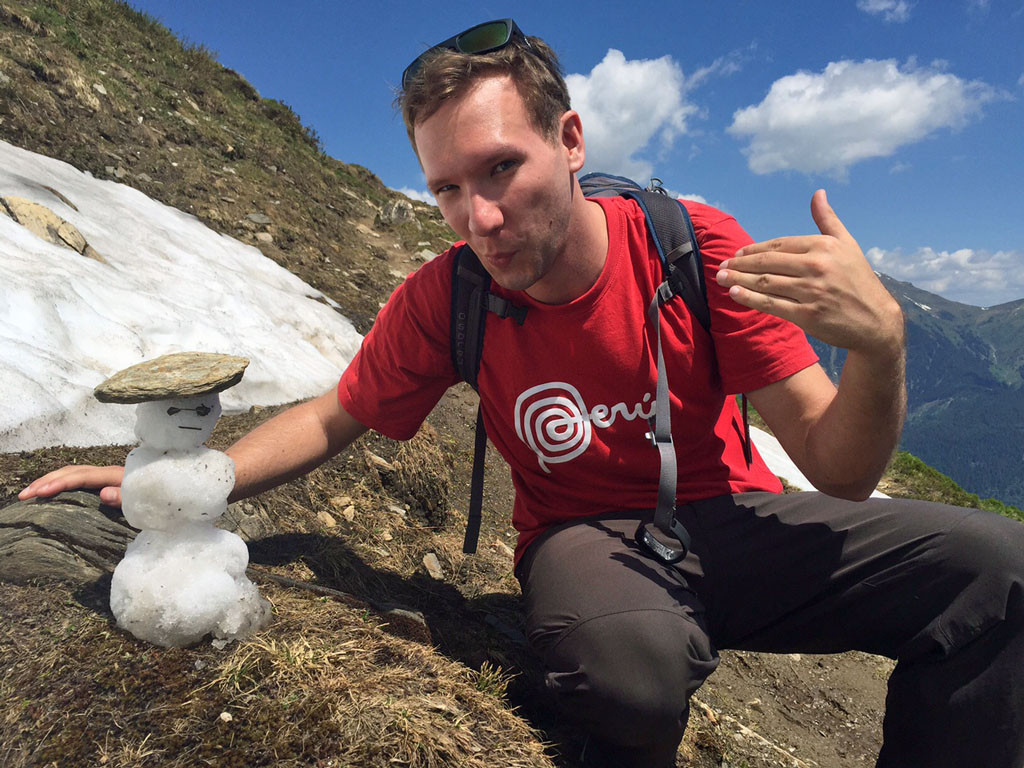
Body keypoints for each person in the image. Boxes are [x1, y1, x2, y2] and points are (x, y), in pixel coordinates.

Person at [21, 19, 1024, 768]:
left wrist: (882, 349)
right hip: (585, 538)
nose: (480, 216)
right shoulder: (447, 297)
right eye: (448, 189)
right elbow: (339, 412)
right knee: (628, 679)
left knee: (1000, 569)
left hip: (735, 519)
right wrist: (182, 481)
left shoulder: (693, 248)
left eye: (501, 168)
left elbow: (843, 474)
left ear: (572, 139)